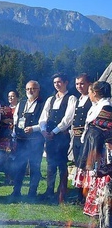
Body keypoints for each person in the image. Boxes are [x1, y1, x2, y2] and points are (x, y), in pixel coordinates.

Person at [73, 81, 112, 217]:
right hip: (93, 147)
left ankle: (102, 209)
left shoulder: (106, 106)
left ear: (95, 93)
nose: (88, 94)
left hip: (100, 150)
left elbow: (105, 130)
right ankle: (95, 208)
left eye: (90, 91)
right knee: (95, 179)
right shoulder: (97, 106)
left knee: (101, 178)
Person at [38, 73, 77, 203]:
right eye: (55, 82)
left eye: (59, 82)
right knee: (50, 164)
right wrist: (43, 131)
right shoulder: (50, 99)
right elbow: (43, 117)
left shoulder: (71, 98)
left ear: (66, 82)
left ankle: (62, 192)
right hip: (49, 136)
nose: (57, 84)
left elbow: (68, 119)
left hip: (61, 136)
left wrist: (54, 132)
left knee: (61, 164)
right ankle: (49, 191)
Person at [10, 81, 46, 201]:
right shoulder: (22, 103)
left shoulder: (43, 104)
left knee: (34, 167)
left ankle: (32, 192)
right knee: (19, 166)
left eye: (33, 89)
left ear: (38, 89)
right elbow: (16, 118)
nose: (30, 91)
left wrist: (33, 128)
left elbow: (44, 122)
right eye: (28, 89)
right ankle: (16, 191)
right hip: (21, 141)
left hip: (35, 141)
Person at [71, 74, 93, 204]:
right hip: (76, 137)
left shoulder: (92, 100)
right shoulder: (79, 99)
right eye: (77, 84)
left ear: (89, 84)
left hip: (86, 138)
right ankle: (79, 195)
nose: (79, 86)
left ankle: (86, 196)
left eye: (82, 84)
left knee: (86, 166)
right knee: (78, 165)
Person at [0, 90, 19, 184]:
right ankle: (7, 178)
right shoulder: (5, 109)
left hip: (16, 135)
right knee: (5, 157)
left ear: (17, 97)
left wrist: (12, 121)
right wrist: (4, 121)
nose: (10, 98)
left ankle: (14, 178)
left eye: (12, 96)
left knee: (14, 157)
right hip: (5, 135)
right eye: (9, 96)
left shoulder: (20, 107)